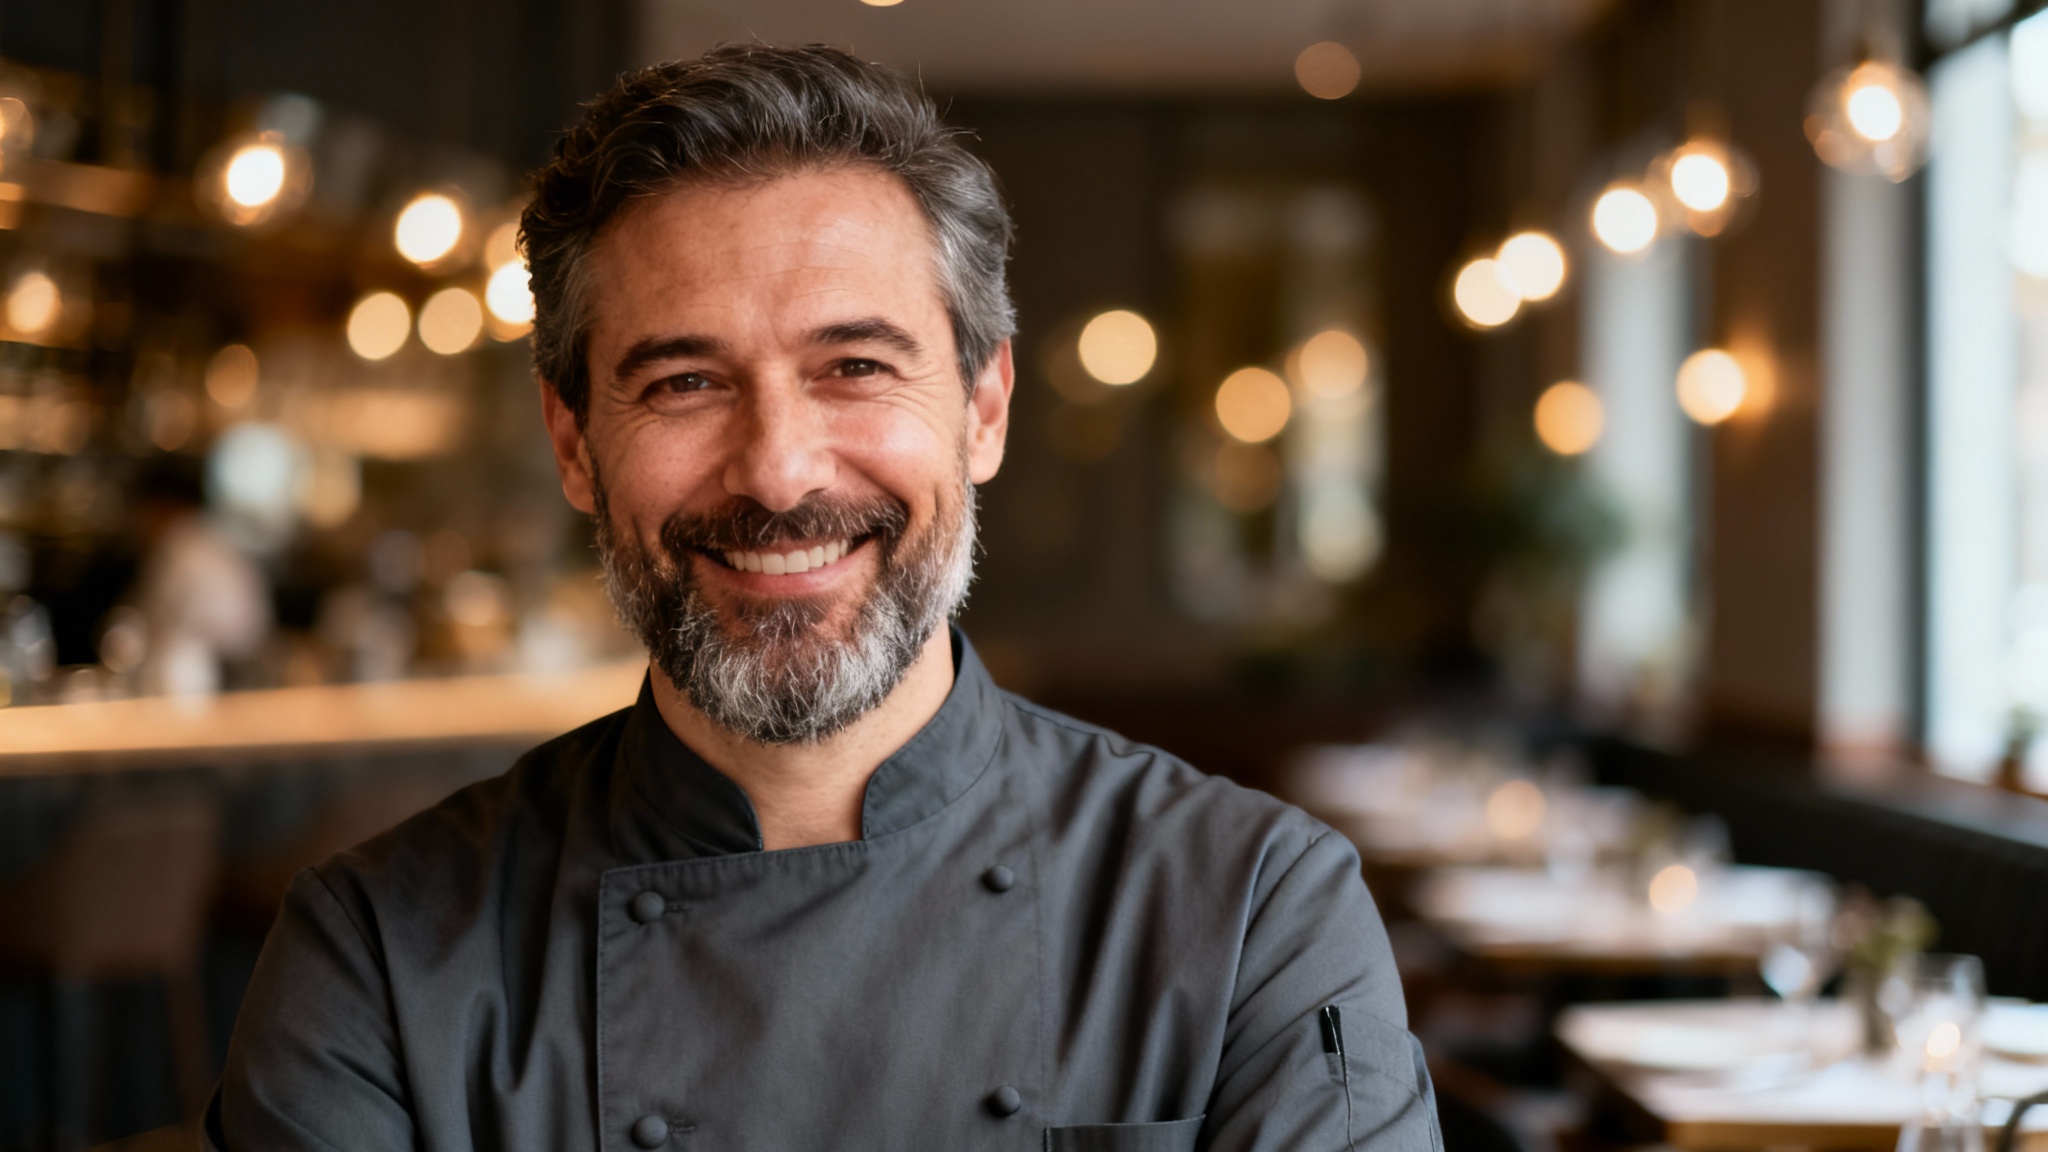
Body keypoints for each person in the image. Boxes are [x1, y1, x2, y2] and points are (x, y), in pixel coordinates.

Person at [210, 45, 1440, 1152]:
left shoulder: (1254, 912)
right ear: (574, 443)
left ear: (983, 408)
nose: (778, 472)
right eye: (684, 382)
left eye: (854, 365)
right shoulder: (378, 959)